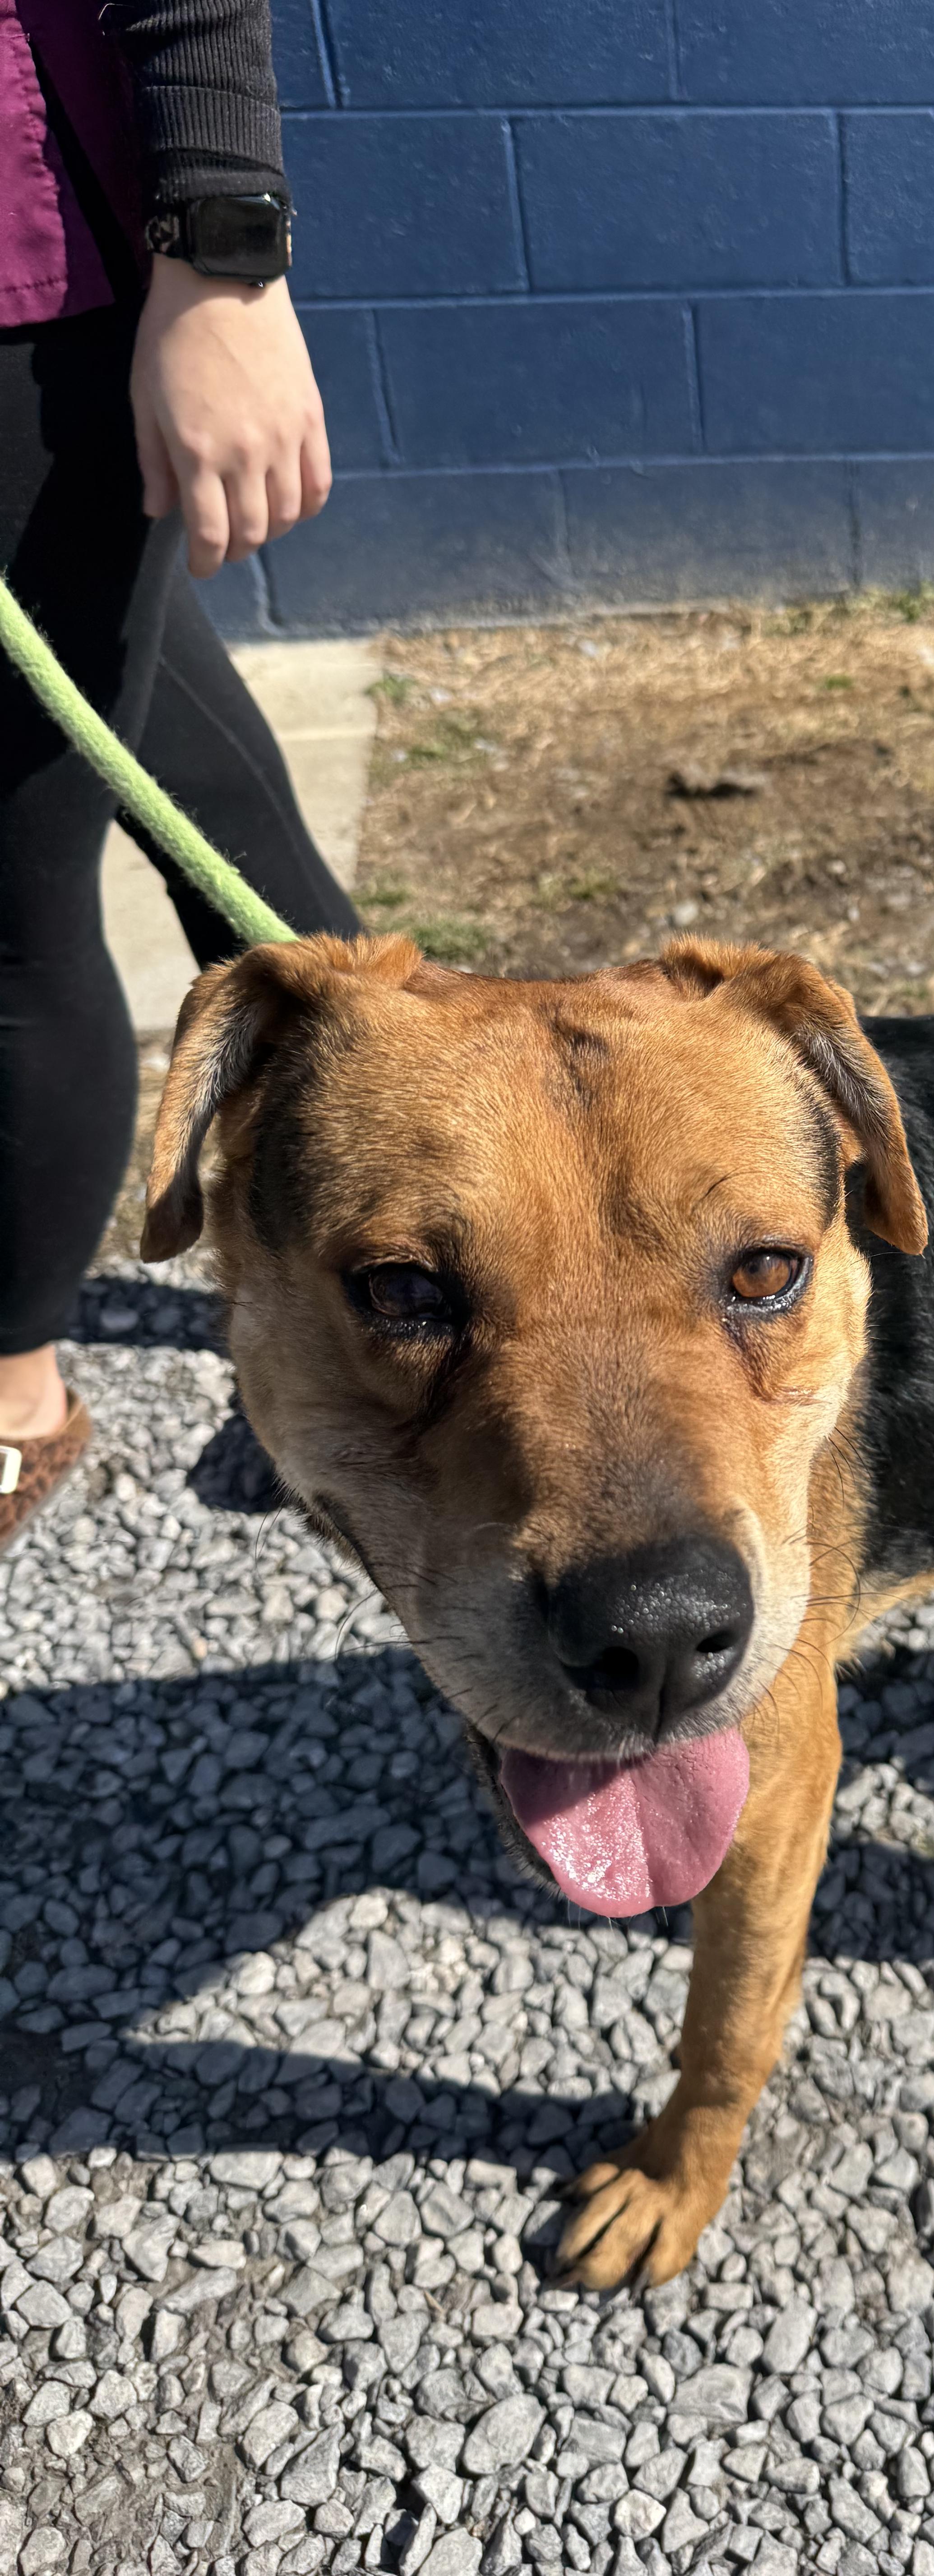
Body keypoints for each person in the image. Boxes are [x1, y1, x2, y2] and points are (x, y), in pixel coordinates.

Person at [0, 0, 360, 1550]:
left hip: (30, 276)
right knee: (182, 781)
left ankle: (13, 1390)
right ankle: (426, 1230)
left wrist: (224, 255)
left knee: (6, 917)